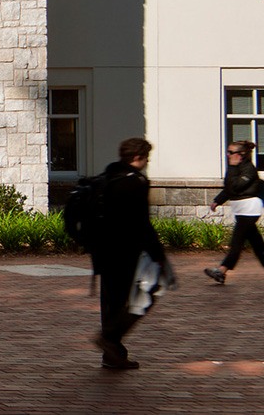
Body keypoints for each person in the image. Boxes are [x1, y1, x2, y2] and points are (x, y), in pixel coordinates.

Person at [92, 136, 171, 370]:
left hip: (104, 250)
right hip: (125, 251)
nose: (147, 161)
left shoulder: (108, 176)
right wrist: (158, 254)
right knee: (144, 296)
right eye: (146, 157)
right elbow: (141, 222)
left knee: (111, 302)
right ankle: (109, 337)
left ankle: (112, 354)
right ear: (138, 157)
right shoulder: (135, 182)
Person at [207, 137, 264, 284]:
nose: (228, 155)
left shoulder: (249, 170)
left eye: (231, 152)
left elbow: (235, 187)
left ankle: (221, 271)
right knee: (257, 244)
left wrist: (232, 168)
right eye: (228, 152)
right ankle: (222, 271)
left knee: (237, 242)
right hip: (241, 209)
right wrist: (217, 201)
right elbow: (229, 189)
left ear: (241, 154)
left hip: (249, 209)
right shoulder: (237, 168)